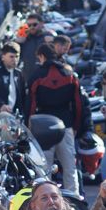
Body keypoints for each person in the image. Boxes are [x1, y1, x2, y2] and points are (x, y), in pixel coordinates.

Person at [26, 47, 89, 197]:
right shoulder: (69, 74)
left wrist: (29, 127)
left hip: (42, 128)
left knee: (44, 169)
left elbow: (30, 106)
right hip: (65, 125)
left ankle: (45, 198)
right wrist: (75, 126)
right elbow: (78, 104)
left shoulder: (36, 76)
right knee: (69, 167)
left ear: (42, 56)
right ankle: (74, 201)